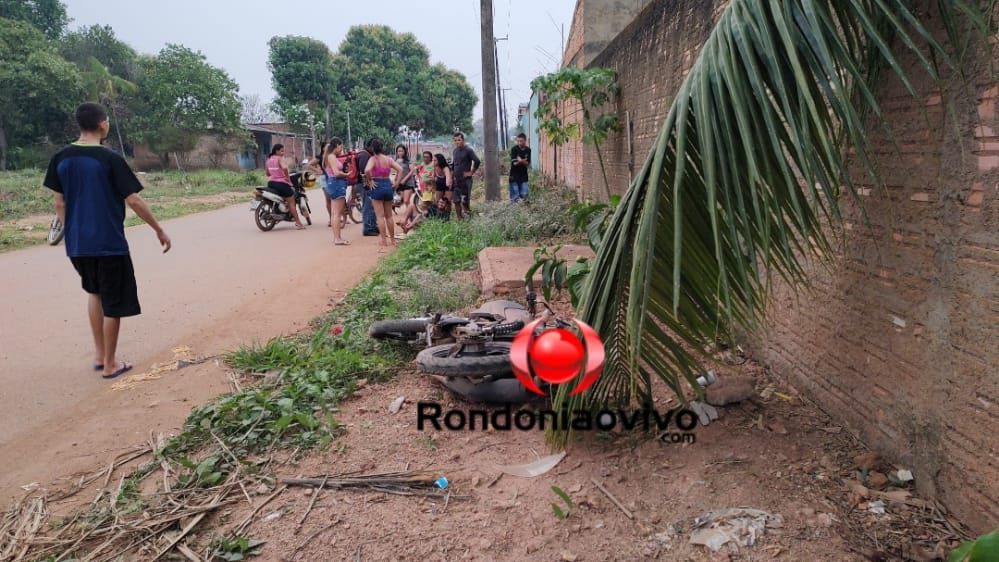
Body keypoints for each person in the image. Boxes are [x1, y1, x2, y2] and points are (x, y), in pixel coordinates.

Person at [43, 102, 172, 379]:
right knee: (113, 301)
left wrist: (73, 231)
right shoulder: (109, 158)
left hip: (78, 245)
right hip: (108, 242)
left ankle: (100, 355)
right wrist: (158, 229)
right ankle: (111, 365)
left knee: (95, 293)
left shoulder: (61, 157)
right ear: (102, 124)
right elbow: (133, 200)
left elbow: (59, 203)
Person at [363, 138, 404, 249]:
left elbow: (367, 170)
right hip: (387, 184)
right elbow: (400, 169)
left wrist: (370, 180)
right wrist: (397, 183)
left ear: (372, 148)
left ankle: (384, 240)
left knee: (380, 216)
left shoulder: (373, 159)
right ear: (382, 147)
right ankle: (393, 240)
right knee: (389, 216)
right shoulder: (388, 159)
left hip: (377, 185)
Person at [265, 144, 305, 229]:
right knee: (291, 202)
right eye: (282, 151)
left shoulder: (269, 159)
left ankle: (280, 212)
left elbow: (268, 173)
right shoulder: (280, 158)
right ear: (277, 151)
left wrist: (274, 173)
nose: (283, 153)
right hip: (281, 183)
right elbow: (285, 168)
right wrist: (288, 179)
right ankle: (298, 223)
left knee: (282, 197)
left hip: (271, 183)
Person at [323, 137, 351, 245]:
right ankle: (337, 238)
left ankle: (337, 237)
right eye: (340, 147)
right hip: (336, 184)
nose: (341, 149)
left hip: (333, 183)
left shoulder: (329, 156)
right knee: (337, 214)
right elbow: (336, 173)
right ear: (337, 145)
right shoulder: (331, 157)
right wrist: (346, 174)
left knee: (335, 213)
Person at [451, 132, 481, 220]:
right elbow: (454, 165)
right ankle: (459, 219)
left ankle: (468, 219)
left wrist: (471, 172)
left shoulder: (468, 150)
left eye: (459, 140)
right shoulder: (455, 151)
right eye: (455, 140)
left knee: (465, 201)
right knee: (456, 200)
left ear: (463, 140)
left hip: (465, 180)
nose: (457, 142)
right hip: (457, 180)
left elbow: (477, 161)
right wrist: (452, 176)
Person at [355, 140, 379, 236]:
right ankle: (368, 228)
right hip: (364, 184)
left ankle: (373, 226)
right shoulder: (364, 155)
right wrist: (368, 184)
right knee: (368, 205)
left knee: (372, 206)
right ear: (369, 146)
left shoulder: (367, 154)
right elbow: (363, 172)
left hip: (366, 183)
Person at [305, 142, 330, 226]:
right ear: (323, 148)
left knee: (335, 199)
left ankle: (337, 217)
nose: (329, 148)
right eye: (327, 146)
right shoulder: (320, 157)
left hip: (332, 178)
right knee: (328, 198)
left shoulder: (332, 156)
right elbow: (309, 165)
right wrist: (318, 171)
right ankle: (331, 218)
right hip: (324, 178)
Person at [393, 144, 416, 229]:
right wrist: (395, 180)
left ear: (405, 151)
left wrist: (404, 179)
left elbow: (411, 171)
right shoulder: (396, 161)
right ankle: (409, 219)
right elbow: (397, 171)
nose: (400, 152)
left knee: (406, 201)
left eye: (401, 151)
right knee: (402, 201)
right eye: (398, 151)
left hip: (408, 183)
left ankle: (407, 220)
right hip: (400, 184)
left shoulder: (408, 161)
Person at [509, 133, 531, 203]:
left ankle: (523, 208)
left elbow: (528, 163)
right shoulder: (514, 149)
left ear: (525, 140)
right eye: (518, 141)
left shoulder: (528, 150)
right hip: (514, 176)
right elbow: (514, 163)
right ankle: (515, 208)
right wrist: (523, 161)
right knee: (515, 198)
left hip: (524, 176)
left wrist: (520, 160)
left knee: (524, 195)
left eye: (521, 141)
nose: (519, 143)